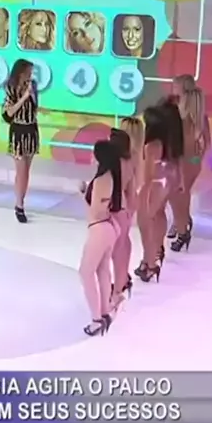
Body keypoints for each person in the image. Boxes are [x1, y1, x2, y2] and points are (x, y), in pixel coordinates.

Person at [135, 104, 182, 282]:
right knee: (159, 214)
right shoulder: (168, 142)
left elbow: (147, 176)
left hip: (154, 184)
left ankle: (149, 263)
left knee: (145, 223)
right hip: (167, 180)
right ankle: (156, 253)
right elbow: (175, 164)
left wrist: (140, 191)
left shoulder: (151, 146)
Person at [80, 140, 122, 336]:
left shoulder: (101, 180)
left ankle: (97, 318)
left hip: (100, 228)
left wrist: (83, 196)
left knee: (86, 272)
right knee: (102, 269)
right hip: (108, 228)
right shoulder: (111, 177)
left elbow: (96, 211)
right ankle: (104, 311)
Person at [2, 59, 39, 223]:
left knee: (26, 172)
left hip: (31, 130)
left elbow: (34, 107)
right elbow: (8, 113)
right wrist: (24, 97)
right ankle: (19, 205)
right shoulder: (10, 87)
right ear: (21, 72)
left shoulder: (33, 85)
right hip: (18, 131)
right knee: (21, 170)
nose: (30, 75)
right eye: (28, 72)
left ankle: (21, 202)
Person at [171, 87, 206, 252]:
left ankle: (182, 231)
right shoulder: (200, 120)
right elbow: (206, 144)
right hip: (191, 162)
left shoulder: (184, 121)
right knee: (181, 196)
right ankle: (183, 227)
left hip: (184, 162)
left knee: (179, 196)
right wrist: (196, 159)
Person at [108, 129, 137, 309]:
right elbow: (132, 194)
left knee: (115, 253)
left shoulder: (111, 164)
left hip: (113, 213)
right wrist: (130, 213)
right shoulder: (129, 164)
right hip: (124, 212)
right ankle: (120, 284)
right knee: (122, 248)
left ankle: (117, 291)